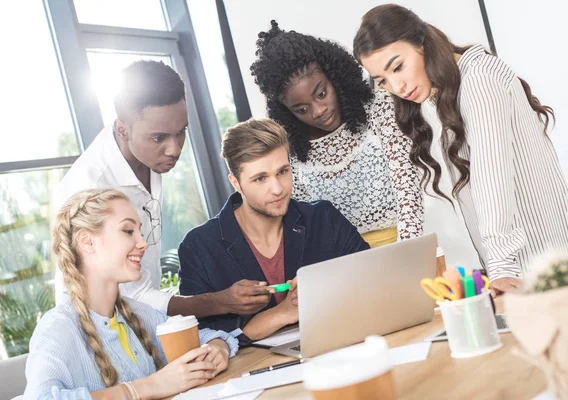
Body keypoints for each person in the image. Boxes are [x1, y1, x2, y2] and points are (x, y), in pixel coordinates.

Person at [353, 4, 568, 296]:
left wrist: (501, 266)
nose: (397, 86)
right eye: (383, 81)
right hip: (522, 269)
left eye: (398, 66)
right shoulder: (447, 93)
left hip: (539, 265)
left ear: (421, 43)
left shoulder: (478, 80)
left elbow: (491, 179)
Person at [56, 60, 274, 318]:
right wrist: (218, 302)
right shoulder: (91, 188)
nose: (175, 149)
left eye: (181, 132)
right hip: (101, 329)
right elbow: (132, 295)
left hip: (144, 321)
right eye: (159, 138)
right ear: (122, 130)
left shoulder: (148, 156)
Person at [25, 189, 238, 399]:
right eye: (128, 231)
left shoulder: (138, 314)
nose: (143, 243)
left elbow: (209, 338)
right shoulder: (58, 329)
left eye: (140, 232)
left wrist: (217, 349)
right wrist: (143, 388)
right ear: (87, 241)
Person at [178, 119, 369, 343]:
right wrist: (284, 313)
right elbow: (201, 337)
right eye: (260, 179)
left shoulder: (324, 218)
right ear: (236, 183)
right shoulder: (199, 248)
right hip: (251, 369)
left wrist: (326, 288)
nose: (278, 189)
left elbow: (371, 280)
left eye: (282, 171)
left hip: (338, 344)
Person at [250, 21, 424, 248]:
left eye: (321, 93)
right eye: (301, 109)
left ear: (335, 75)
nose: (318, 110)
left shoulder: (380, 110)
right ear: (286, 111)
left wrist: (407, 253)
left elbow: (408, 192)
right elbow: (305, 228)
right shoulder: (290, 151)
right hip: (339, 264)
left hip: (403, 247)